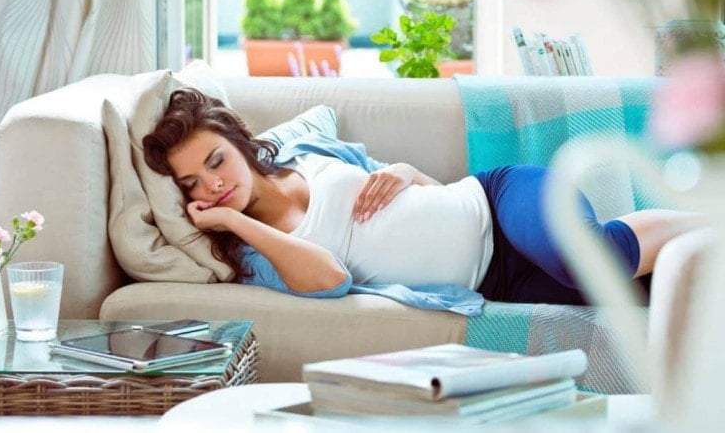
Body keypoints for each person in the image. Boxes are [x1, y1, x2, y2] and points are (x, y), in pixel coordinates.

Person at [142, 88, 697, 309]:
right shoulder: (255, 257)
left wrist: (404, 171)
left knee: (594, 259)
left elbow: (428, 190)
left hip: (496, 202)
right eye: (193, 184)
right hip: (493, 279)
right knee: (640, 296)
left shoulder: (308, 151)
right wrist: (237, 225)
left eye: (216, 161)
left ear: (239, 143)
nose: (213, 185)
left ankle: (704, 215)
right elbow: (331, 281)